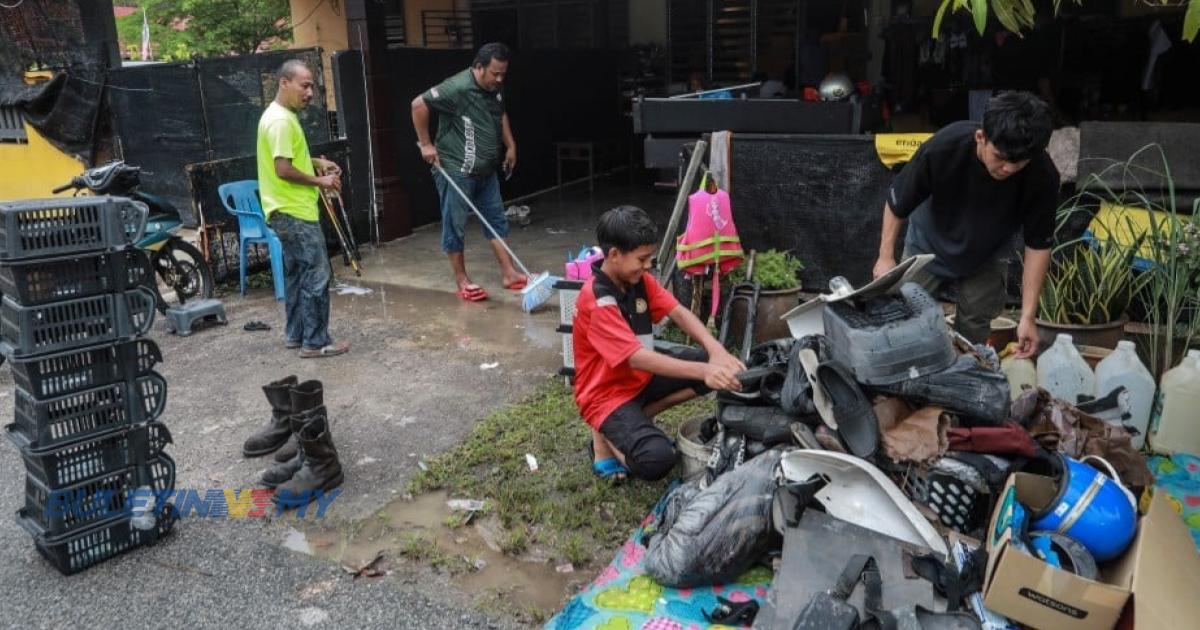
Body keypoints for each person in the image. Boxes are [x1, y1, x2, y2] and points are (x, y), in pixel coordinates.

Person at [873, 91, 1058, 359]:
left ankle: (962, 384)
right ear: (981, 137)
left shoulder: (1042, 175)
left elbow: (1038, 245)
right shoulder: (943, 148)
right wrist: (885, 257)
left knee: (973, 331)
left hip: (987, 252)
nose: (1008, 168)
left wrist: (1028, 316)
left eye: (1018, 162)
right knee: (904, 319)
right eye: (1000, 156)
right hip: (928, 241)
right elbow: (897, 202)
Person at [573, 206, 745, 482]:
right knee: (658, 458)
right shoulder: (597, 299)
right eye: (642, 258)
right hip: (606, 396)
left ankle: (636, 418)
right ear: (614, 254)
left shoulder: (641, 281)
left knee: (707, 362)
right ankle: (605, 439)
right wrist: (706, 371)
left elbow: (678, 312)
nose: (648, 265)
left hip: (638, 381)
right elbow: (636, 357)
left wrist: (717, 352)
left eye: (649, 258)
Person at [411, 42, 524, 302]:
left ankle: (509, 273)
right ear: (478, 67)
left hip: (486, 170)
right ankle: (462, 279)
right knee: (455, 225)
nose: (499, 78)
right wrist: (426, 144)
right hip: (456, 169)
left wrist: (511, 145)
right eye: (494, 73)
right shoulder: (457, 87)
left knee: (496, 220)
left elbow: (500, 113)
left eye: (503, 74)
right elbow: (418, 104)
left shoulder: (495, 86)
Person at [256, 59, 349, 358]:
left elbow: (289, 159)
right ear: (284, 82)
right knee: (317, 275)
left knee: (297, 276)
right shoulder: (282, 121)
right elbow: (283, 169)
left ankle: (296, 335)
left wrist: (317, 162)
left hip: (282, 210)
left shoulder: (277, 115)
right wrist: (320, 180)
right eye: (305, 85)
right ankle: (317, 342)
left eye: (312, 86)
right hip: (294, 211)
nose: (310, 93)